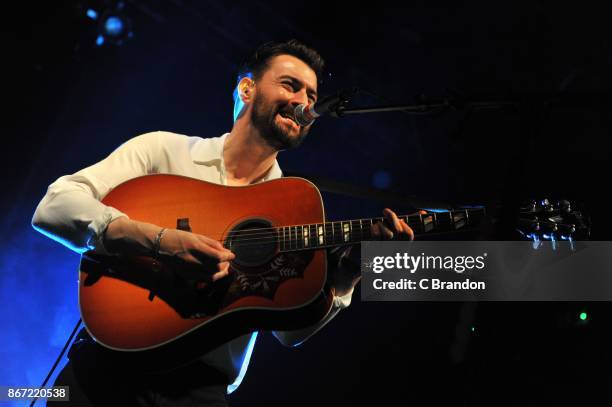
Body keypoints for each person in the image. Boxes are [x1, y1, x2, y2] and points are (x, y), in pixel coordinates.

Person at [32, 39, 415, 406]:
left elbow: (289, 331)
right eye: (290, 86)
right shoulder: (163, 150)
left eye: (312, 97)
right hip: (105, 372)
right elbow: (54, 206)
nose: (304, 102)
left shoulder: (295, 209)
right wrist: (160, 240)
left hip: (200, 394)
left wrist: (350, 273)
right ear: (247, 89)